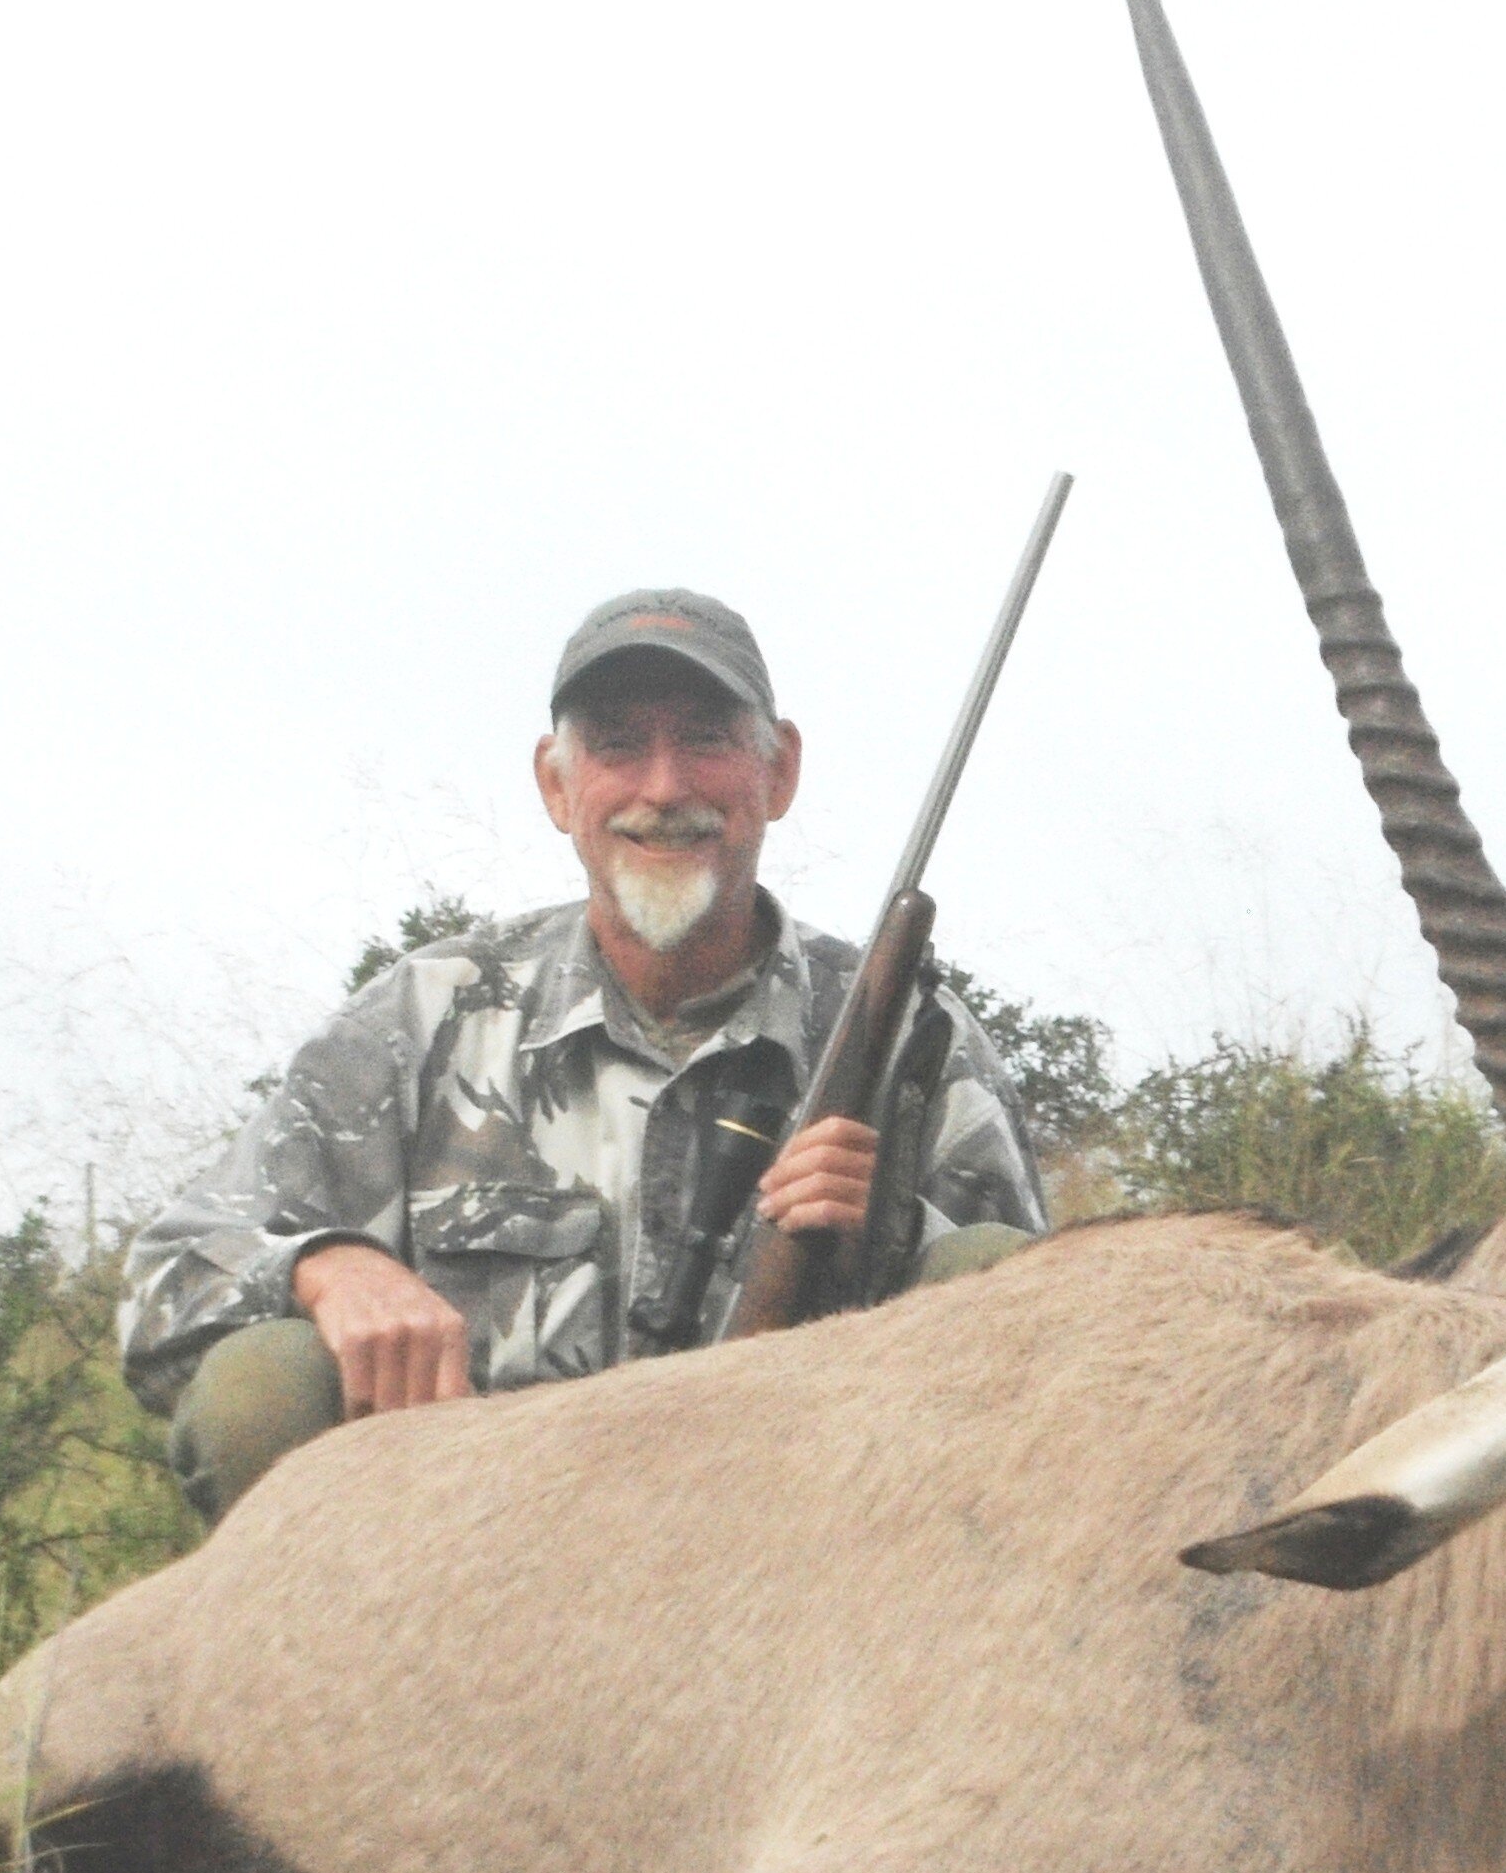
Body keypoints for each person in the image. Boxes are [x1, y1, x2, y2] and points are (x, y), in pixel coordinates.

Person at [121, 587, 1046, 1518]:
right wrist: (325, 1268)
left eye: (706, 739)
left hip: (801, 1554)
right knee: (261, 1386)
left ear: (781, 771)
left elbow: (1050, 1331)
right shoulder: (424, 1013)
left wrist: (886, 1235)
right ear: (556, 785)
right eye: (616, 746)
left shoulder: (908, 1037)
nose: (664, 787)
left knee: (987, 1277)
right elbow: (167, 1285)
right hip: (472, 1562)